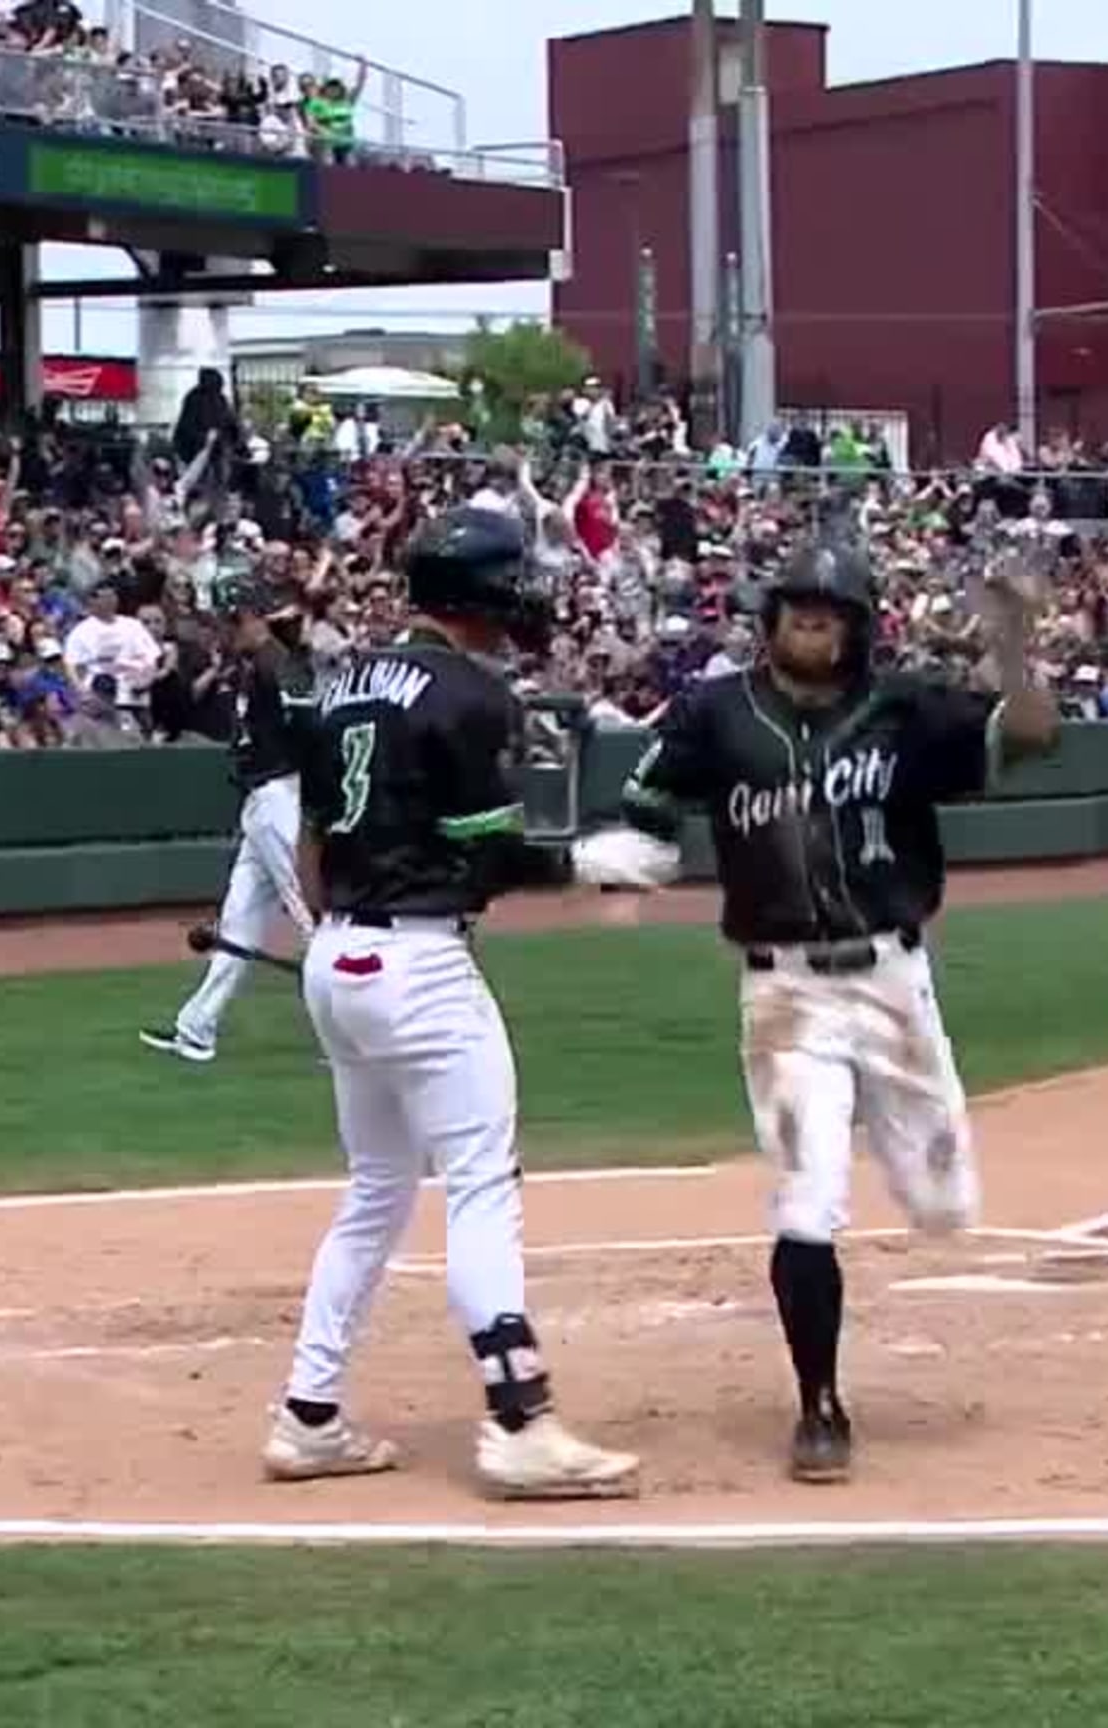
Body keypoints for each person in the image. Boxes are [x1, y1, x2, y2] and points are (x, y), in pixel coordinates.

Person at [585, 535, 1059, 1485]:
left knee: (944, 1203)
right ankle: (820, 1405)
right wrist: (635, 853)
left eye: (830, 609)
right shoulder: (718, 713)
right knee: (807, 1201)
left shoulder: (903, 711)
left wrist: (1016, 635)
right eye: (797, 607)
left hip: (891, 984)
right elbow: (648, 796)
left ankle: (851, 1334)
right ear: (768, 622)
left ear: (858, 626)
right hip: (786, 990)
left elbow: (1030, 735)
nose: (812, 619)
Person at [266, 504, 640, 1501]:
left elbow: (309, 846)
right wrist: (587, 867)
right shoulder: (471, 693)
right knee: (480, 1185)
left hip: (339, 949)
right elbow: (492, 850)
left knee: (376, 1193)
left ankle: (309, 1415)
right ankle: (520, 1422)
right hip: (421, 962)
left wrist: (338, 945)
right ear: (482, 592)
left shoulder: (343, 683)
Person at [143, 586, 317, 1063]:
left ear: (252, 618)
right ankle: (197, 1029)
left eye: (230, 621)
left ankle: (352, 1032)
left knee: (311, 919)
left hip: (284, 795)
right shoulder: (256, 663)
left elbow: (311, 728)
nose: (223, 631)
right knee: (238, 920)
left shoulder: (279, 664)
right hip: (261, 802)